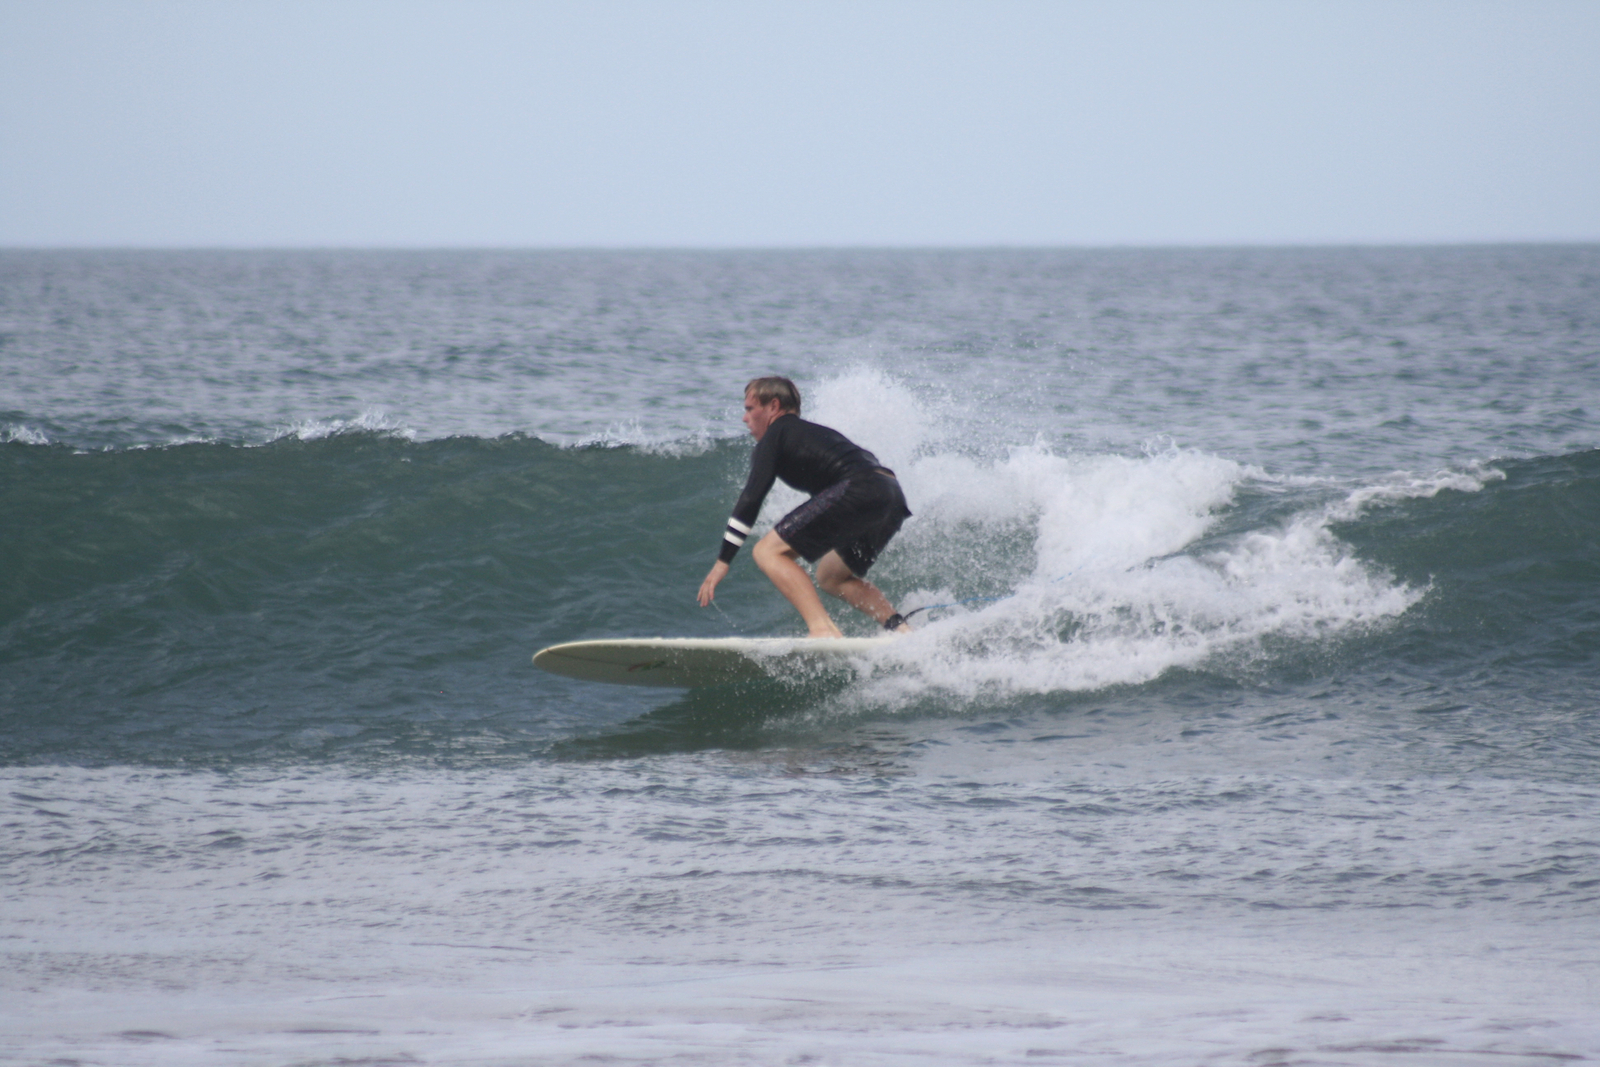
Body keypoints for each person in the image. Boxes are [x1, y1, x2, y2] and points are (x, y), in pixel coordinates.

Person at [697, 376, 913, 637]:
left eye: (749, 409)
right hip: (891, 494)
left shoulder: (775, 434)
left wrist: (723, 561)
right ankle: (901, 630)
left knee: (767, 552)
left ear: (773, 406)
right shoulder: (813, 433)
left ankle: (822, 630)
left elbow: (752, 497)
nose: (745, 418)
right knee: (832, 576)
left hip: (860, 488)